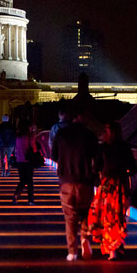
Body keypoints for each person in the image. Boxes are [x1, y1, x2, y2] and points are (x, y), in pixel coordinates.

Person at [52, 105, 99, 261]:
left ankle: (72, 252)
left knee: (70, 218)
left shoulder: (61, 134)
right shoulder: (90, 135)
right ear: (79, 116)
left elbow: (54, 156)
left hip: (66, 181)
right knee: (86, 214)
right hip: (85, 181)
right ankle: (85, 237)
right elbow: (97, 160)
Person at [87, 121, 137, 261]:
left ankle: (112, 250)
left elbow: (95, 167)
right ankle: (117, 245)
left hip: (107, 186)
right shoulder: (125, 147)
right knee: (118, 216)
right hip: (120, 186)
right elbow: (133, 168)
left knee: (107, 216)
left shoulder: (103, 148)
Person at [12, 119, 38, 205]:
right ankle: (30, 200)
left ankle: (16, 194)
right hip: (28, 161)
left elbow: (15, 149)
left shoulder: (17, 136)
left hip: (19, 160)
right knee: (29, 181)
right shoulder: (29, 137)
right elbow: (34, 149)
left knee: (22, 180)